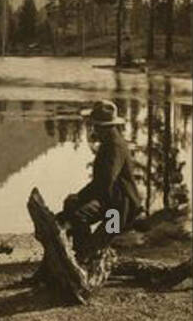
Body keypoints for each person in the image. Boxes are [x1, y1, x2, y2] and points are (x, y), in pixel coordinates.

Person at [59, 99, 142, 264]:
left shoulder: (114, 146)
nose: (93, 129)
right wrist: (78, 199)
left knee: (94, 243)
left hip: (119, 210)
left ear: (103, 127)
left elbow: (104, 182)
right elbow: (103, 185)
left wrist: (80, 197)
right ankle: (82, 259)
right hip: (113, 202)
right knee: (77, 215)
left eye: (95, 125)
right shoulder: (110, 142)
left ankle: (82, 262)